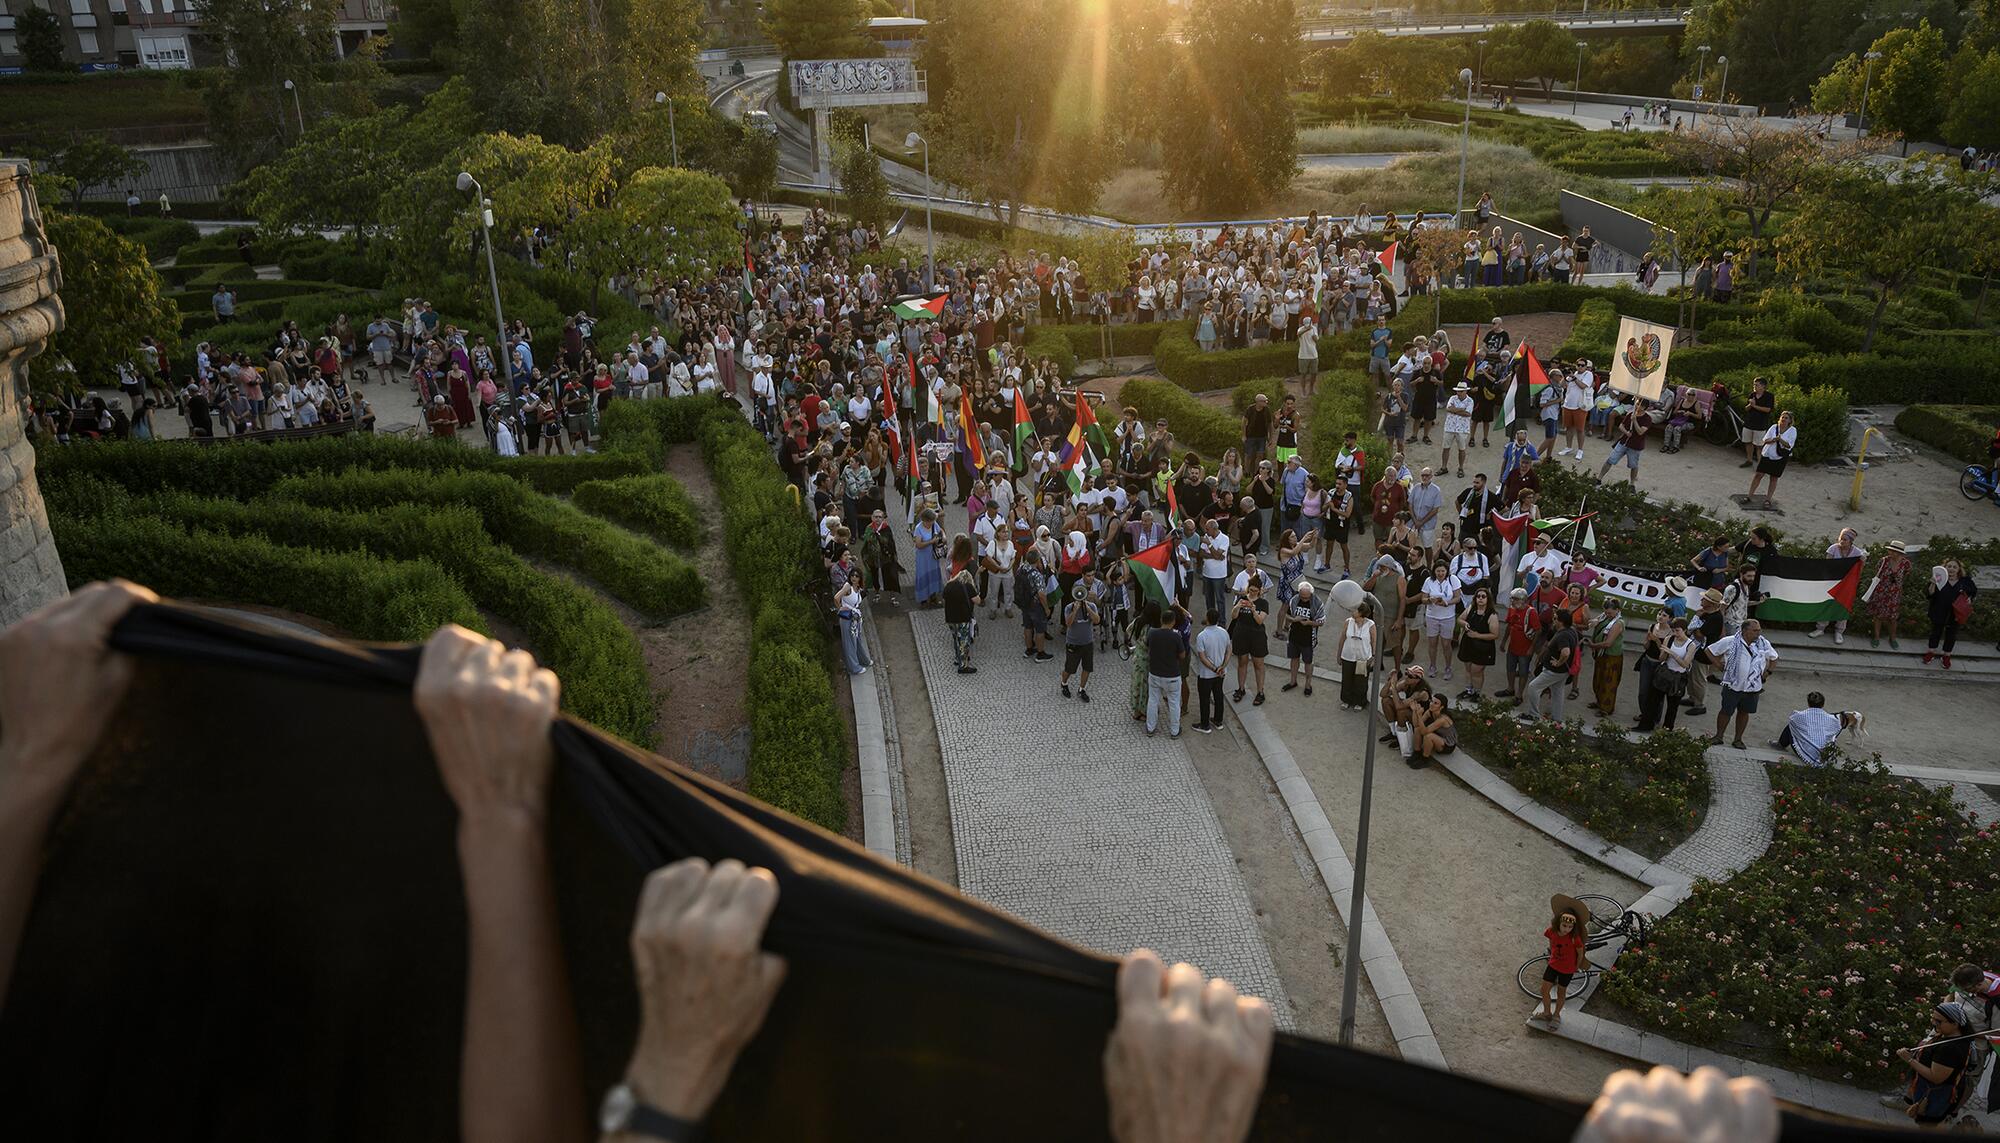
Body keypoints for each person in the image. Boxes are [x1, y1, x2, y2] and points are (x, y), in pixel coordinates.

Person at [1886, 1001, 1982, 1128]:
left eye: (1939, 1021)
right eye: (1933, 1019)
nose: (1934, 1023)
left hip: (1935, 1095)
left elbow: (1936, 1077)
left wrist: (1909, 1059)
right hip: (1931, 1091)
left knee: (1927, 1126)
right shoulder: (1949, 1036)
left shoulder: (1950, 1049)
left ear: (1955, 1023)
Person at [1709, 619, 1778, 749]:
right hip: (1733, 685)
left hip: (1752, 687)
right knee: (1725, 711)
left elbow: (1774, 658)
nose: (1759, 633)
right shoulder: (1730, 641)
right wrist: (1719, 665)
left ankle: (1738, 739)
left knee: (1744, 712)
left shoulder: (1764, 643)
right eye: (1755, 630)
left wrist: (1767, 673)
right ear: (1745, 630)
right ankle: (1718, 736)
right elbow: (1710, 651)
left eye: (1759, 630)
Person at [1530, 896, 1589, 1031]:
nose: (1566, 929)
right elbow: (1551, 941)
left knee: (1561, 993)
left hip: (1567, 970)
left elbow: (1580, 953)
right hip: (1553, 964)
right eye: (1564, 926)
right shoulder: (1551, 931)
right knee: (1544, 990)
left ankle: (1556, 1015)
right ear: (1558, 923)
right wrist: (1552, 953)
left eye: (1569, 927)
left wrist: (1576, 966)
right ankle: (1546, 1013)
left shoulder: (1574, 938)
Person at [1520, 608, 1579, 723]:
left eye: (1555, 618)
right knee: (1557, 692)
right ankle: (1557, 719)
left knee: (1533, 687)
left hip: (1554, 671)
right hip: (1563, 671)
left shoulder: (1563, 635)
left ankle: (1534, 714)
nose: (1553, 620)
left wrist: (1558, 662)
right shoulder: (1571, 630)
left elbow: (1565, 652)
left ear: (1561, 621)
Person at [1809, 529, 1867, 643]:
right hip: (1831, 582)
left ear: (1851, 541)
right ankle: (1820, 628)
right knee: (1827, 604)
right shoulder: (1833, 548)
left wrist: (1863, 561)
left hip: (1846, 585)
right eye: (1841, 538)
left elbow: (1859, 571)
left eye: (1845, 539)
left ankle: (1839, 631)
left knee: (1843, 605)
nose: (1842, 541)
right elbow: (1827, 565)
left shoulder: (1856, 553)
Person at [1775, 692, 1865, 765]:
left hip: (1806, 752)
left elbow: (1792, 719)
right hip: (1824, 755)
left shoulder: (1799, 715)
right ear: (1823, 704)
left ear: (1808, 703)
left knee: (1791, 725)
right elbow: (1838, 727)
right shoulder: (1832, 719)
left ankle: (1781, 744)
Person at [1924, 559, 1977, 669]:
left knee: (1951, 635)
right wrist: (1933, 583)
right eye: (1949, 566)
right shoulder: (1939, 578)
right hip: (1939, 611)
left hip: (1955, 613)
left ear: (1958, 569)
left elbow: (1973, 592)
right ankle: (1931, 652)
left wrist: (1970, 599)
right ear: (1945, 568)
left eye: (1954, 567)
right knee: (1935, 632)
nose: (1951, 569)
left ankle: (1946, 656)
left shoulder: (1965, 581)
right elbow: (1930, 594)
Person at [1228, 579, 1271, 706]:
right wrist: (1237, 607)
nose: (1252, 593)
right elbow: (1234, 616)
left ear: (1259, 591)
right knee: (1242, 661)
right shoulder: (1241, 599)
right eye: (1250, 590)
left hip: (1257, 636)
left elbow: (1259, 621)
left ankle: (1260, 692)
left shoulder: (1263, 603)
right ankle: (1241, 689)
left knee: (1258, 664)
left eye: (1255, 591)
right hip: (1241, 634)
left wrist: (1253, 610)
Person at [1144, 608, 1185, 738]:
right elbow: (1182, 655)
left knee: (1153, 700)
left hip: (1155, 673)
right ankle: (1174, 730)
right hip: (1172, 675)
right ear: (1173, 622)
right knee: (1174, 703)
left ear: (1161, 620)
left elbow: (1147, 646)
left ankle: (1150, 728)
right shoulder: (1176, 636)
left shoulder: (1152, 633)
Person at [1418, 560, 1461, 680]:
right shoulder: (1429, 581)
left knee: (1446, 644)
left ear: (1447, 571)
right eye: (1438, 571)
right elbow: (1423, 599)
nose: (1440, 573)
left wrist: (1447, 602)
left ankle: (1448, 668)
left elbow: (1457, 598)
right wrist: (1430, 600)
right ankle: (1432, 666)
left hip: (1448, 617)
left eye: (1443, 571)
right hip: (1432, 616)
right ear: (1434, 571)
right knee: (1432, 643)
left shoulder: (1453, 580)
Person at [1596, 399, 1654, 487]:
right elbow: (1621, 426)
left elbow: (1640, 431)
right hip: (1623, 442)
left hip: (1635, 445)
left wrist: (1634, 421)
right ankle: (1599, 479)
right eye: (1637, 404)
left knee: (1633, 465)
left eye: (1638, 404)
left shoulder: (1647, 419)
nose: (1636, 406)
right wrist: (1626, 432)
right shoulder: (1630, 414)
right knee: (1610, 460)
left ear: (1643, 407)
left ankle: (1632, 484)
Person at [1745, 410, 1797, 509]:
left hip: (1780, 457)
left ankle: (1768, 499)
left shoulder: (1792, 430)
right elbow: (1765, 440)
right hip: (1768, 454)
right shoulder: (1774, 427)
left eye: (1786, 418)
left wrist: (1780, 439)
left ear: (1790, 420)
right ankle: (1749, 496)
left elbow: (1789, 445)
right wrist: (1773, 439)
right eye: (1782, 417)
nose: (1784, 419)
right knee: (1758, 475)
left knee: (1773, 478)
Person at [1496, 587, 1540, 701]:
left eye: (1515, 599)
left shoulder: (1531, 612)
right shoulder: (1512, 609)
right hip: (1513, 646)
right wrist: (1504, 641)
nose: (1513, 602)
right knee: (1510, 668)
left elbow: (1538, 630)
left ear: (1523, 600)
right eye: (1512, 599)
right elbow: (1509, 625)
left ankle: (1519, 695)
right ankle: (1510, 689)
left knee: (1523, 672)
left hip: (1525, 649)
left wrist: (1531, 648)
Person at [1867, 539, 1913, 648]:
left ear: (1900, 553)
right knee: (1878, 616)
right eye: (1890, 550)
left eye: (1894, 551)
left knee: (1892, 618)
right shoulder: (1883, 561)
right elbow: (1877, 573)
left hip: (1895, 594)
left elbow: (1907, 575)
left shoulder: (1906, 563)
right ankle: (1876, 637)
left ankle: (1892, 638)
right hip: (1881, 592)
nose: (1891, 553)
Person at [1282, 580, 1324, 697]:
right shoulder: (1294, 600)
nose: (1304, 599)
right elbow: (1286, 615)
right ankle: (1293, 681)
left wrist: (1309, 623)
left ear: (1311, 594)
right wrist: (1294, 620)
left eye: (1306, 597)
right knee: (1294, 659)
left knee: (1308, 662)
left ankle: (1308, 685)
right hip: (1294, 636)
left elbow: (1321, 622)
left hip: (1308, 638)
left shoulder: (1317, 603)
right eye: (1302, 596)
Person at [1455, 587, 1498, 700]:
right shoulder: (1471, 609)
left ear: (1488, 599)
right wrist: (1464, 624)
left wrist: (1477, 635)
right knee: (1468, 668)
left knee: (1477, 671)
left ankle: (1477, 693)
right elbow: (1459, 619)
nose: (1480, 599)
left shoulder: (1492, 615)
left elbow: (1495, 635)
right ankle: (1468, 690)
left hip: (1483, 647)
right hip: (1468, 644)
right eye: (1478, 596)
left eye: (1483, 596)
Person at [1058, 585, 1100, 702]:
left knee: (1087, 668)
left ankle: (1082, 689)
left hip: (1088, 643)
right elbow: (1068, 623)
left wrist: (1088, 609)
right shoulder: (1068, 608)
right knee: (1070, 668)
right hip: (1073, 643)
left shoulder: (1092, 606)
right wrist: (1075, 610)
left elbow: (1097, 620)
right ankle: (1064, 683)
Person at [1192, 609, 1231, 734]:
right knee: (1218, 695)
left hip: (1206, 674)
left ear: (1207, 618)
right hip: (1221, 672)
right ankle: (1218, 720)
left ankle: (1205, 724)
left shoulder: (1202, 636)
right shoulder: (1224, 632)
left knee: (1205, 698)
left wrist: (1214, 668)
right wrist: (1222, 667)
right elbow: (1229, 650)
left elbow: (1202, 657)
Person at [1586, 597, 1626, 716]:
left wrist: (1593, 645)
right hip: (1601, 655)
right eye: (1606, 612)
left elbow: (1608, 643)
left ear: (1617, 610)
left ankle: (1606, 708)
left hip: (1611, 656)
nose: (1607, 614)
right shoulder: (1604, 616)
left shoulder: (1618, 623)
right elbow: (1595, 621)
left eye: (1610, 612)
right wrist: (1593, 622)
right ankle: (1599, 701)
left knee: (1609, 682)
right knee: (1598, 679)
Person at [1338, 598, 1376, 711]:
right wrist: (1339, 654)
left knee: (1361, 681)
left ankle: (1360, 701)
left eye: (1355, 610)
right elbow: (1342, 638)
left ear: (1361, 612)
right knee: (1347, 679)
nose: (1352, 611)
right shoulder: (1348, 622)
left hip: (1363, 657)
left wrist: (1373, 656)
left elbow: (1374, 641)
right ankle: (1346, 700)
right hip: (1348, 655)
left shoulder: (1371, 625)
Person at [835, 570, 871, 676]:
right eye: (852, 575)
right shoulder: (847, 586)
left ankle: (863, 660)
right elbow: (836, 598)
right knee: (849, 643)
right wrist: (840, 608)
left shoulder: (858, 587)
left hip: (855, 618)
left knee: (857, 640)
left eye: (856, 576)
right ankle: (854, 668)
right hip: (847, 619)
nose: (854, 578)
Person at [1406, 694, 1456, 768]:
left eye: (1435, 703)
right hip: (1438, 737)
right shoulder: (1430, 712)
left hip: (1448, 744)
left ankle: (1425, 759)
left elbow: (1424, 732)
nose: (1431, 704)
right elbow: (1416, 725)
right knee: (1417, 729)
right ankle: (1417, 752)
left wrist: (1419, 716)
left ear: (1441, 707)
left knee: (1428, 736)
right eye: (1431, 701)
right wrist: (1414, 711)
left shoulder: (1442, 719)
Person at [1440, 381, 1476, 478]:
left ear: (1465, 391)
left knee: (1461, 449)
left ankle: (1460, 468)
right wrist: (1461, 410)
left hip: (1462, 429)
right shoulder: (1452, 398)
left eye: (1460, 391)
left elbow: (1468, 413)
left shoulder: (1470, 401)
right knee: (1446, 448)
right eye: (1458, 391)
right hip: (1450, 427)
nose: (1458, 393)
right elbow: (1448, 409)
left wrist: (1454, 410)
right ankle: (1444, 467)